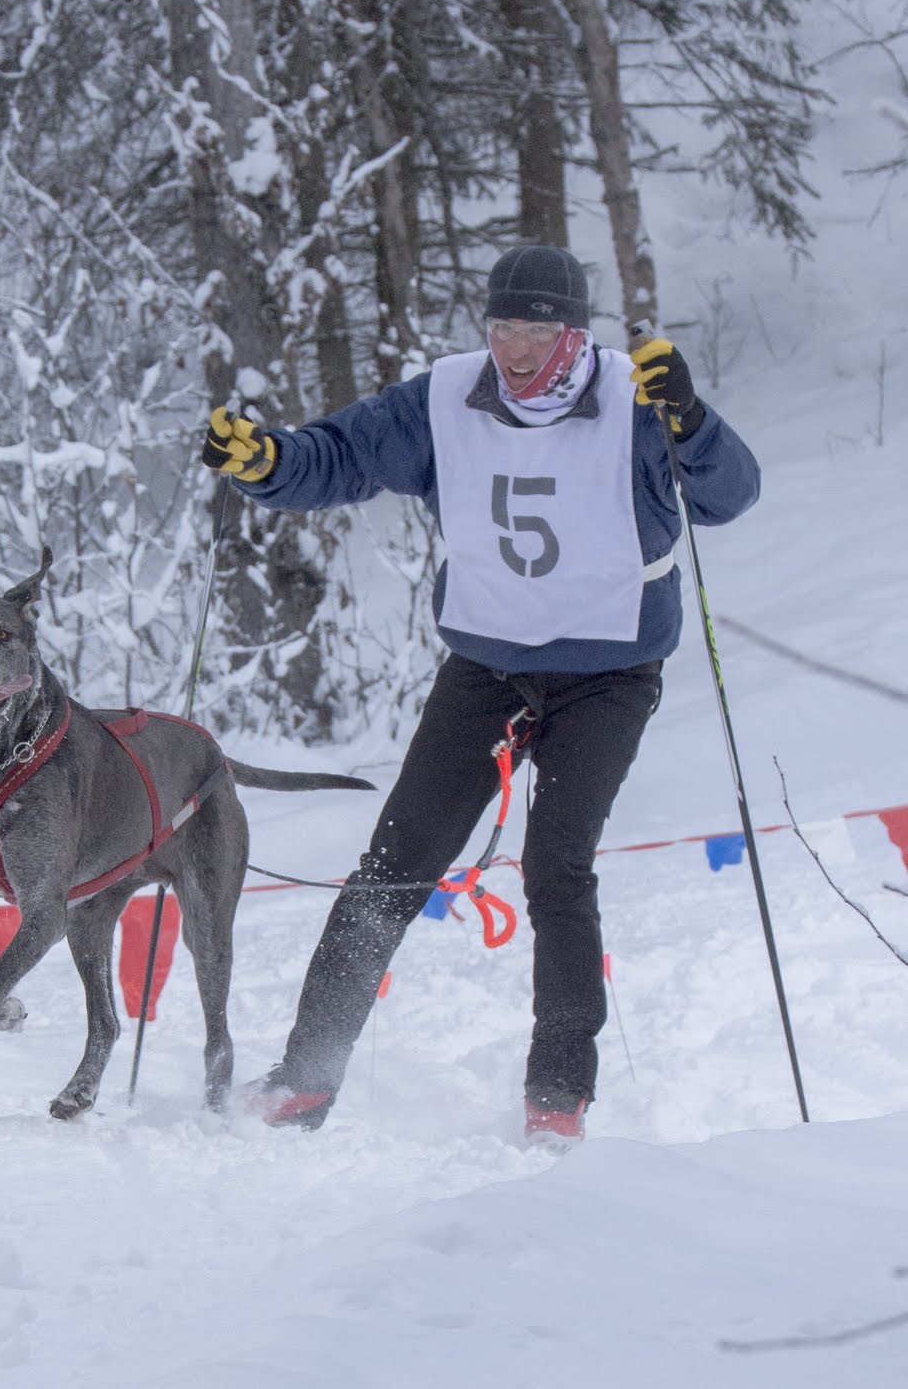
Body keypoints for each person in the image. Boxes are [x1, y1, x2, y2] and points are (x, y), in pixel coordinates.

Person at [198, 245, 761, 1142]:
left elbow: (732, 496)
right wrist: (264, 460)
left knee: (557, 865)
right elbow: (340, 456)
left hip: (609, 668)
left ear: (573, 333)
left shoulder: (634, 399)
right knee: (393, 864)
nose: (519, 347)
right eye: (504, 325)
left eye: (539, 329)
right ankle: (307, 1076)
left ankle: (559, 1092)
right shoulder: (445, 398)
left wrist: (690, 420)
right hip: (489, 663)